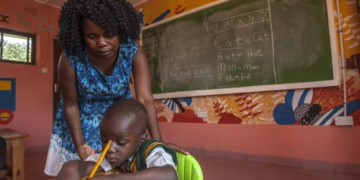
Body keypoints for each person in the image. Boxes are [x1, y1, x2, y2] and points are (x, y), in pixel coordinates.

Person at [45, 0, 186, 176]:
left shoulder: (132, 51)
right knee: (86, 170)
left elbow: (145, 99)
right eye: (92, 36)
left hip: (120, 121)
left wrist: (158, 143)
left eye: (109, 34)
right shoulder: (71, 58)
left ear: (121, 31)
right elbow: (70, 105)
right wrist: (80, 144)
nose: (102, 43)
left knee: (122, 165)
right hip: (81, 123)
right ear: (81, 34)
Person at [56, 99, 178, 180]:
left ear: (141, 140)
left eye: (121, 143)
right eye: (104, 140)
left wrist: (111, 179)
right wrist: (70, 167)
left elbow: (169, 175)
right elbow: (83, 167)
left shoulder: (152, 152)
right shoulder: (113, 156)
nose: (110, 149)